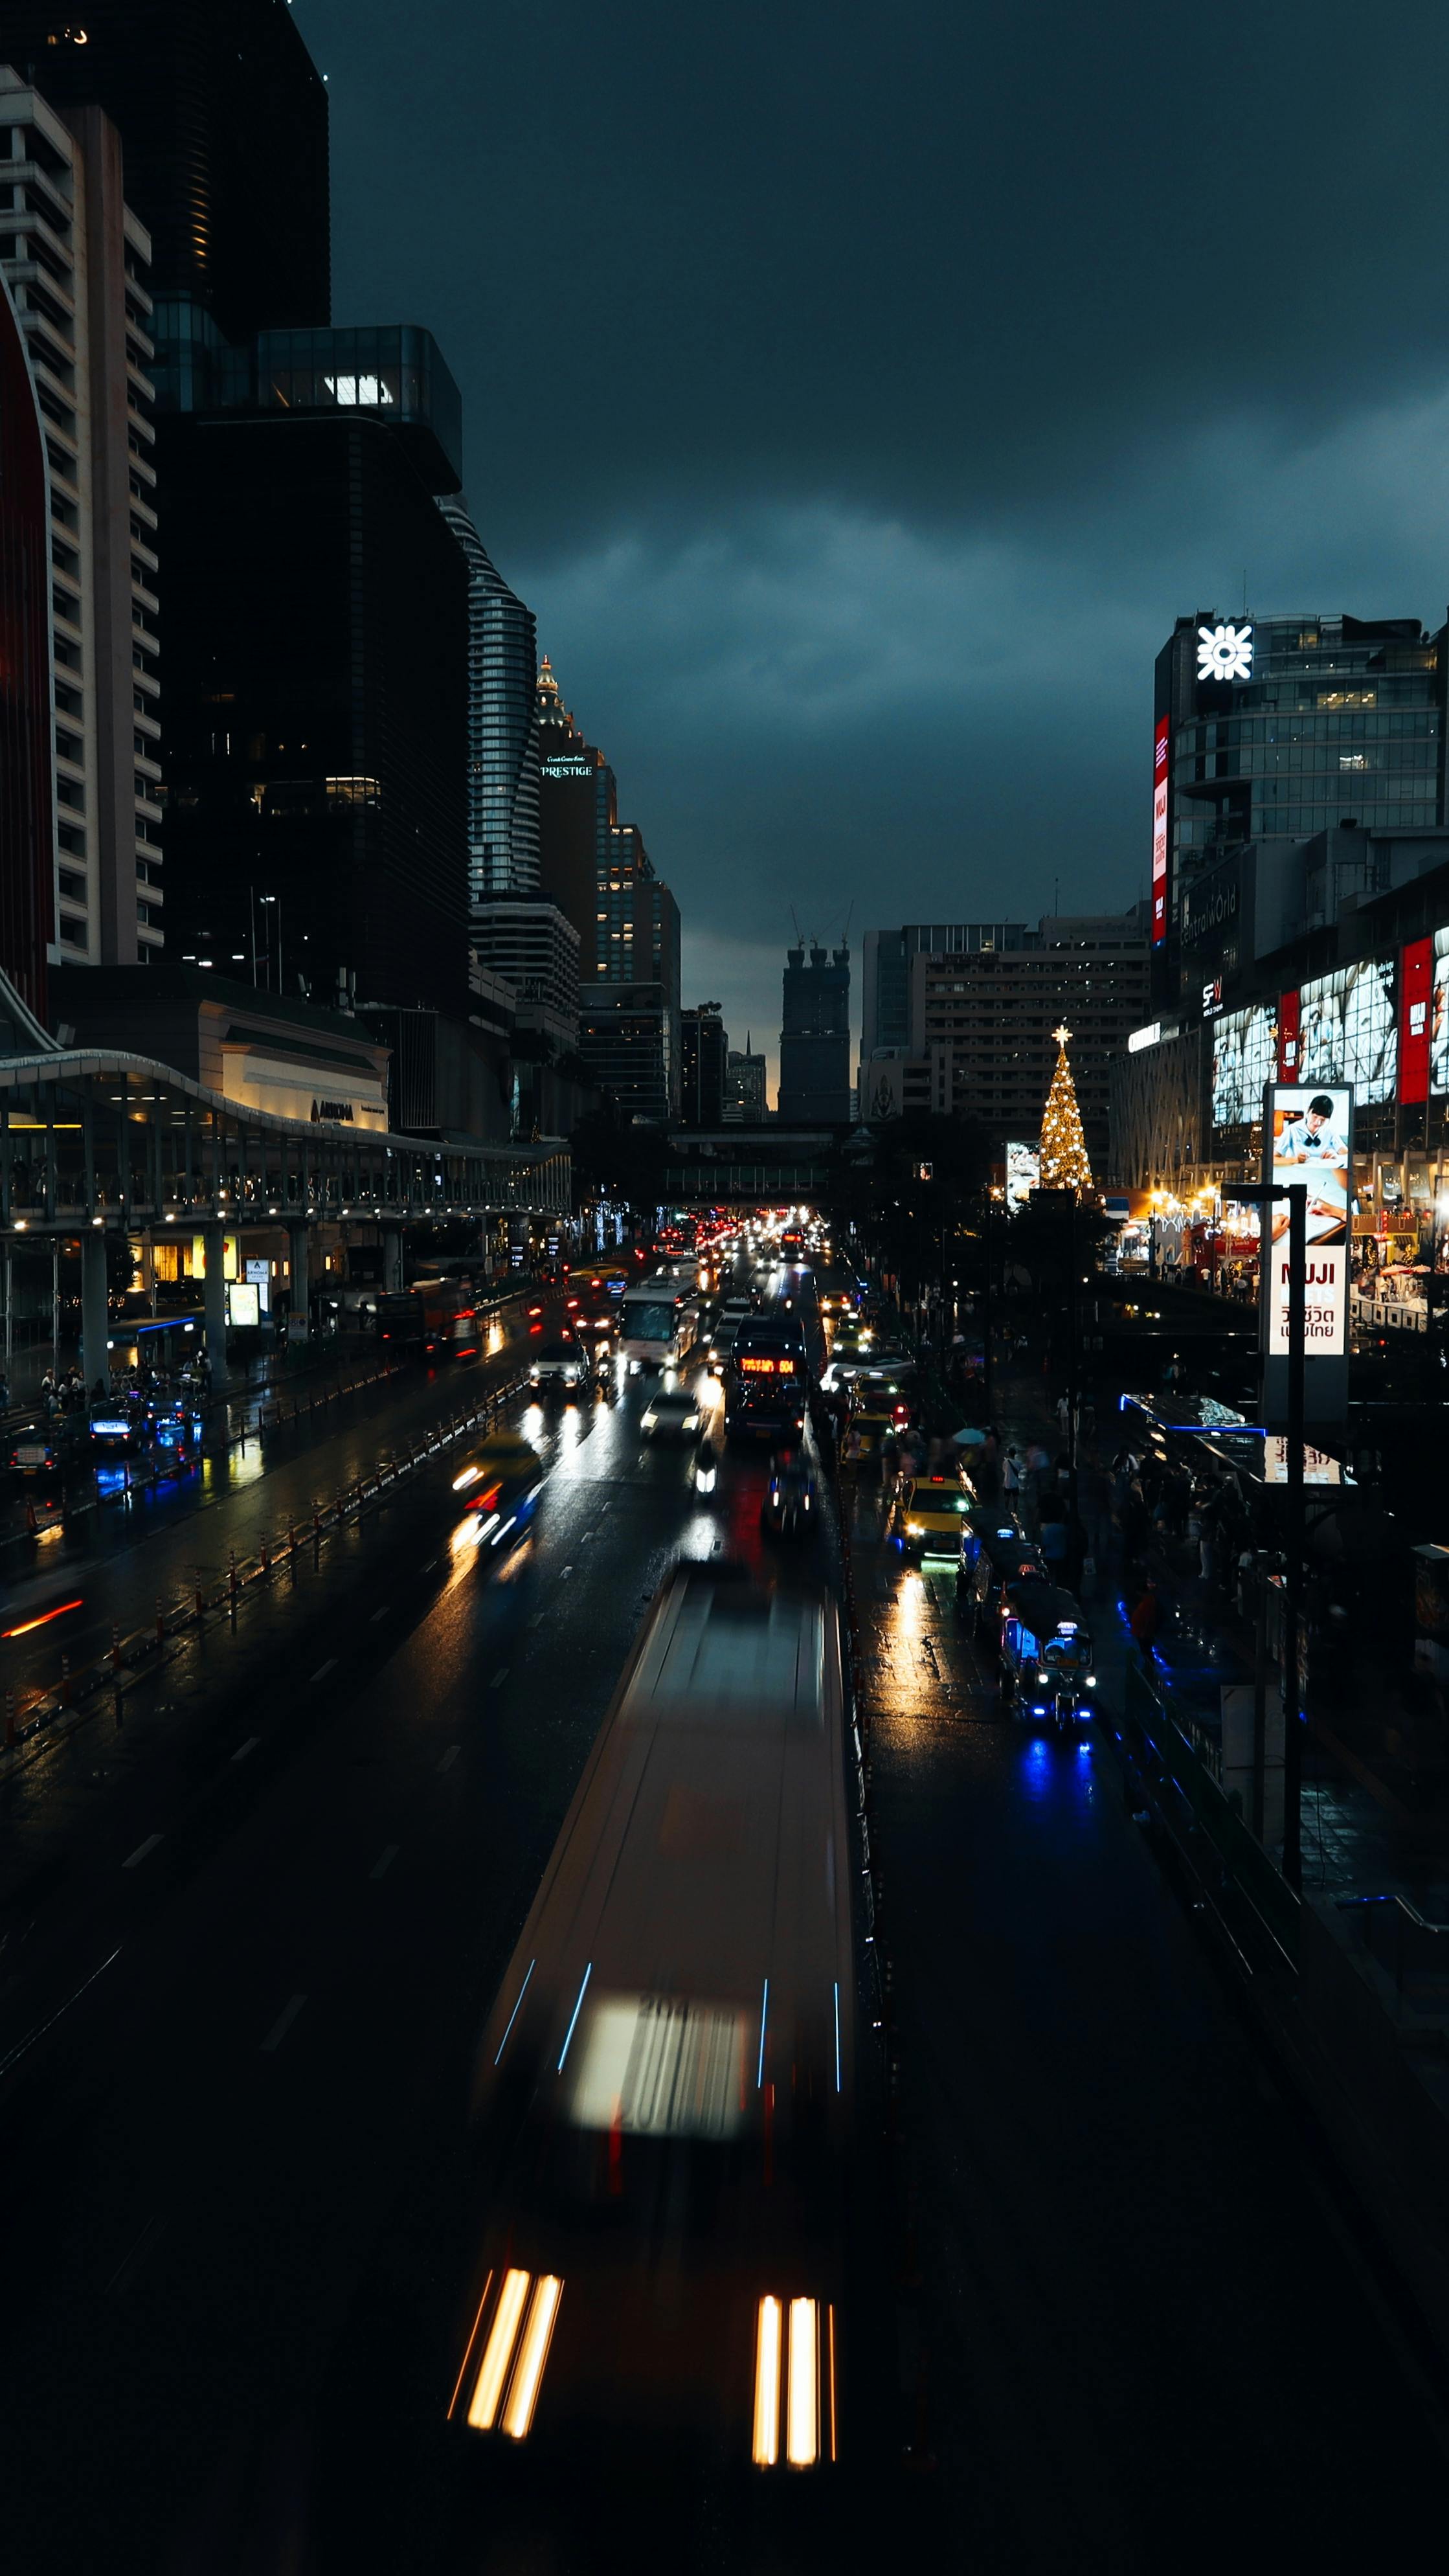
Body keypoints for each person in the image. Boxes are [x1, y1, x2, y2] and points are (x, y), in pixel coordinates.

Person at [1130, 1579, 1161, 1664]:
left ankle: (1149, 1667)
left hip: (1144, 1633)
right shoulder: (1147, 1600)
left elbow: (1148, 1618)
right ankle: (1148, 1666)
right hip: (1141, 1632)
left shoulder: (1148, 1602)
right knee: (1145, 1651)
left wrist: (1144, 1632)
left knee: (1146, 1651)